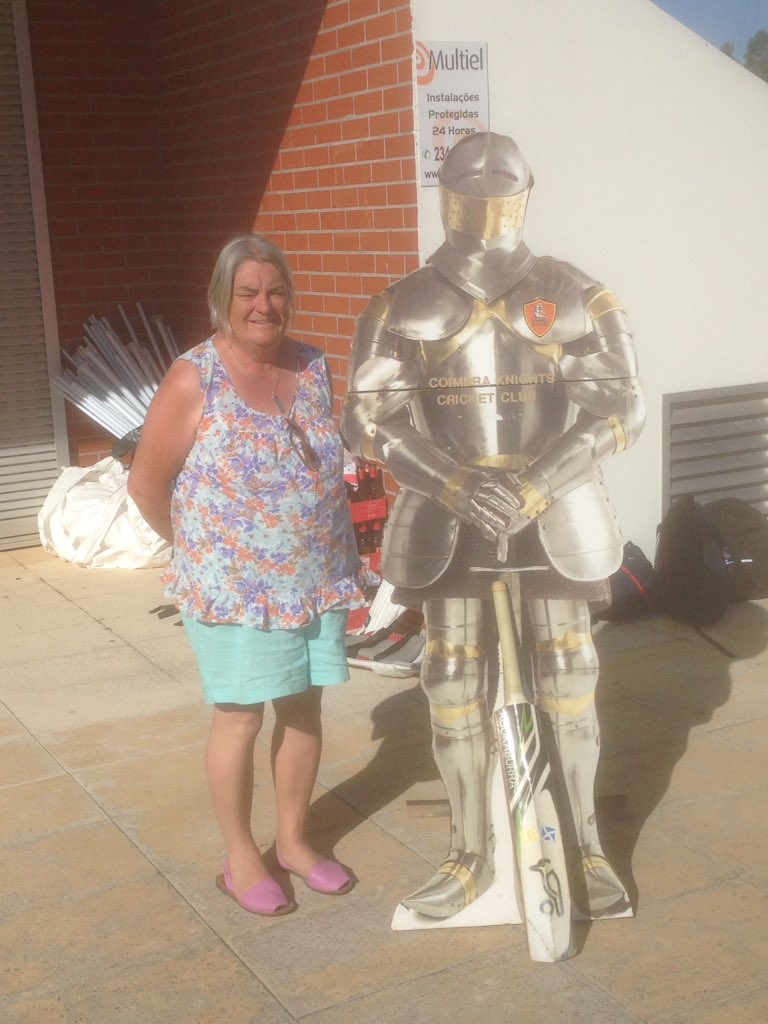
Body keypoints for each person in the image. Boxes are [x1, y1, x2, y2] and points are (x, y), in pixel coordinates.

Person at [341, 132, 646, 922]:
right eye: (466, 183)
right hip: (448, 510)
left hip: (555, 506)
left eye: (496, 184)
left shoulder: (575, 292)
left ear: (523, 191)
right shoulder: (399, 302)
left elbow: (623, 405)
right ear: (446, 192)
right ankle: (468, 852)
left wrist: (538, 483)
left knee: (571, 673)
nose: (481, 196)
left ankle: (583, 846)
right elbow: (366, 419)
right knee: (450, 678)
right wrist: (452, 479)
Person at [128, 234, 364, 917]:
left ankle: (292, 841)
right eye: (248, 293)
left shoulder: (314, 365)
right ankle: (240, 858)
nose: (265, 305)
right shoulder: (193, 377)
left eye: (275, 290)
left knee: (305, 708)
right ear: (221, 301)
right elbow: (146, 485)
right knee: (239, 718)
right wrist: (199, 554)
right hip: (234, 591)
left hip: (317, 577)